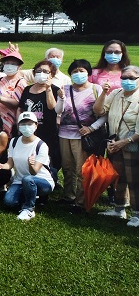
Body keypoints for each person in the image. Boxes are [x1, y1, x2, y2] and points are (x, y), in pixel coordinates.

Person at [92, 64, 139, 225]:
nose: (127, 81)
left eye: (132, 78)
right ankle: (119, 209)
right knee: (118, 178)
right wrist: (103, 94)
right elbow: (99, 111)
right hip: (115, 144)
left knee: (135, 180)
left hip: (133, 146)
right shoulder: (116, 93)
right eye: (124, 78)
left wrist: (123, 142)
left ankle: (137, 214)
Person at [57, 59, 105, 210]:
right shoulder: (64, 89)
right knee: (67, 167)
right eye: (74, 72)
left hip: (83, 135)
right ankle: (68, 196)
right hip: (64, 133)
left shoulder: (96, 89)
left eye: (82, 71)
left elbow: (104, 114)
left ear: (88, 73)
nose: (78, 74)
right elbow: (58, 111)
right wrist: (61, 98)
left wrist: (91, 128)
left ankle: (80, 201)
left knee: (81, 169)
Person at [0, 112, 53, 221]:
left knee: (28, 179)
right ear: (18, 126)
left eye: (30, 124)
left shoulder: (41, 145)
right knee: (9, 202)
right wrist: (2, 166)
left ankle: (29, 209)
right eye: (23, 124)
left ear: (36, 125)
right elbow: (10, 163)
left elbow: (34, 172)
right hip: (20, 181)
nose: (26, 127)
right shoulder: (14, 141)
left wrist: (31, 164)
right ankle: (31, 196)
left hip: (41, 181)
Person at [17, 60, 63, 179]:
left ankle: (48, 178)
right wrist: (18, 124)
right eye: (38, 71)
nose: (41, 73)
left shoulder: (55, 89)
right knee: (29, 155)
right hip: (28, 129)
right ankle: (27, 176)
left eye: (45, 71)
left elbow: (52, 107)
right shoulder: (27, 89)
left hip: (46, 130)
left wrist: (48, 88)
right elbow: (21, 108)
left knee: (47, 156)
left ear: (51, 75)